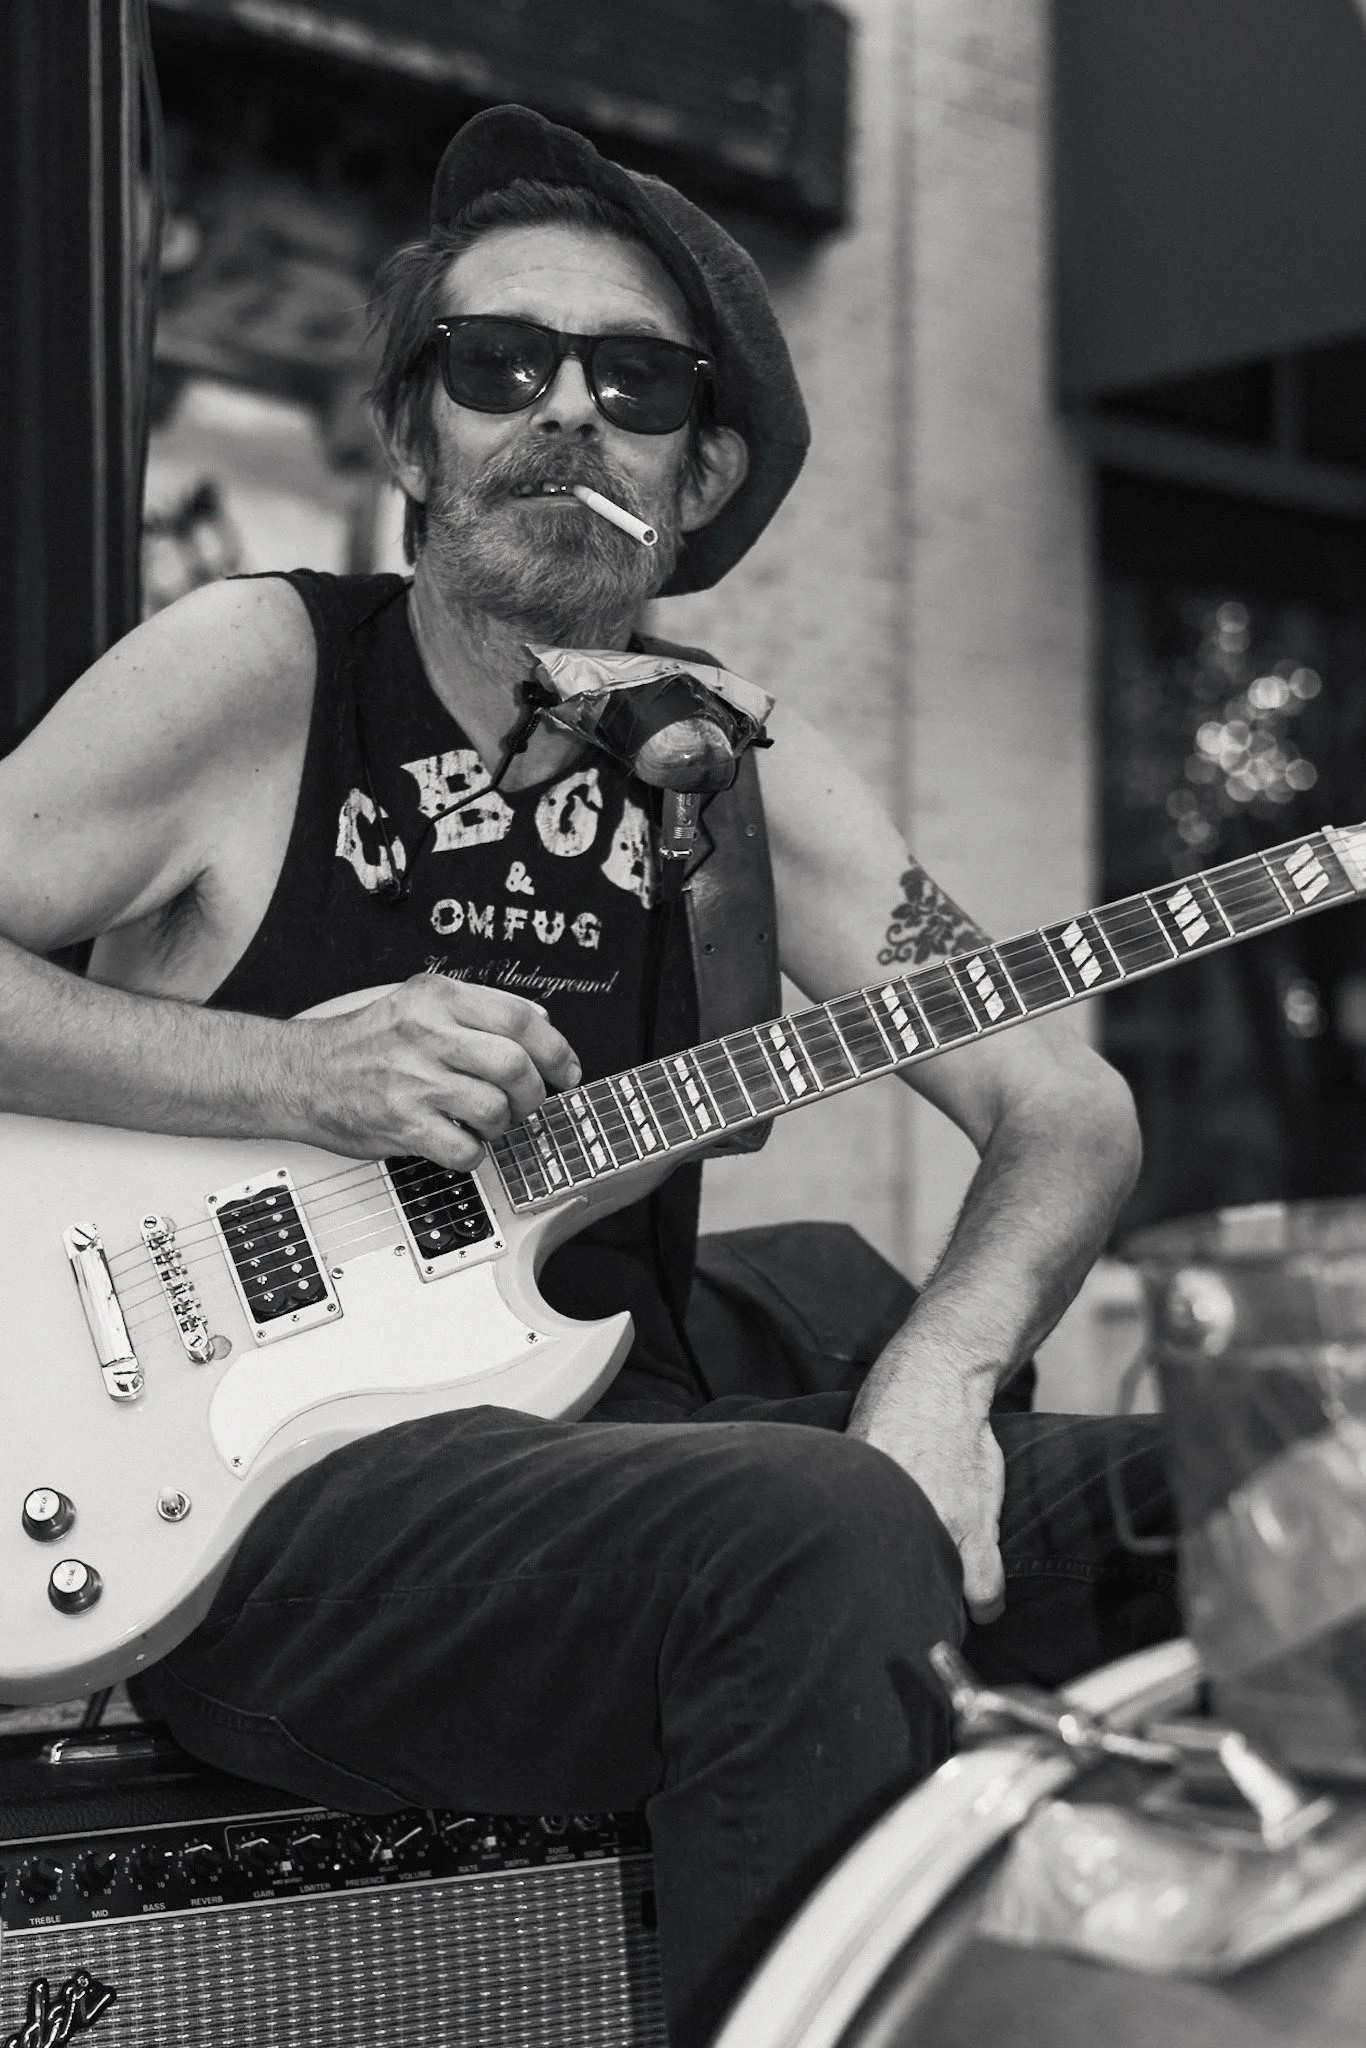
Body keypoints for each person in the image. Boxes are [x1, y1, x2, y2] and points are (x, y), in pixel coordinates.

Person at [0, 105, 1177, 2047]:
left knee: (1250, 1489)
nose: (561, 411)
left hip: (603, 1446)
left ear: (693, 474)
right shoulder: (254, 670)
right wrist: (281, 1079)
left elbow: (1067, 1101)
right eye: (494, 364)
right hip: (262, 1494)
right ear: (406, 441)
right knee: (820, 1538)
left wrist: (943, 1377)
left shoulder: (740, 765)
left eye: (631, 382)